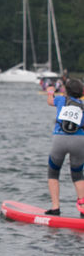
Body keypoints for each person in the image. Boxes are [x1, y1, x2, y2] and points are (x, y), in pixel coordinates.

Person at [44, 78, 84, 216]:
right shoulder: (83, 105)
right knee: (78, 175)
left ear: (66, 90)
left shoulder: (61, 100)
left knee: (53, 172)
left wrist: (50, 92)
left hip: (60, 139)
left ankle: (55, 208)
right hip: (79, 140)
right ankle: (83, 209)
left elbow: (50, 101)